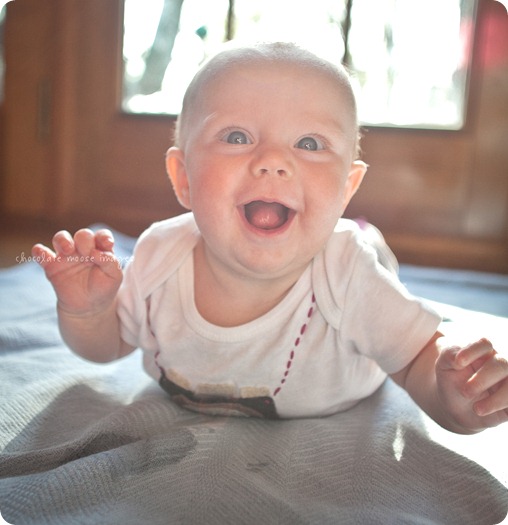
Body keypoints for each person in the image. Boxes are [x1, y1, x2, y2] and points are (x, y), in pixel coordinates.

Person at [32, 42, 508, 428]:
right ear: (182, 176)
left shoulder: (346, 274)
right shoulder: (160, 254)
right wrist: (88, 311)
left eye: (309, 143)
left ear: (347, 187)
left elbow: (416, 359)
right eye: (237, 137)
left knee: (366, 255)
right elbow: (108, 346)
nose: (273, 160)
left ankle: (366, 233)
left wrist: (454, 396)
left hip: (354, 269)